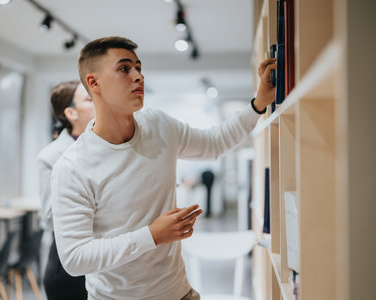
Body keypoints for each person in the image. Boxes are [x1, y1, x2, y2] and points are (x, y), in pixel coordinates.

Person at [51, 36, 276, 300]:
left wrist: (258, 103)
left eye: (139, 68)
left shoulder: (159, 125)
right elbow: (75, 258)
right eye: (124, 68)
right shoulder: (73, 166)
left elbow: (216, 143)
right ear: (94, 82)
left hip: (179, 294)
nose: (138, 76)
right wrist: (152, 235)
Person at [37, 80, 95, 300]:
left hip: (106, 264)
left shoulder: (108, 148)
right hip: (69, 267)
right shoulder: (50, 156)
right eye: (90, 99)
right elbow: (50, 217)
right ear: (71, 113)